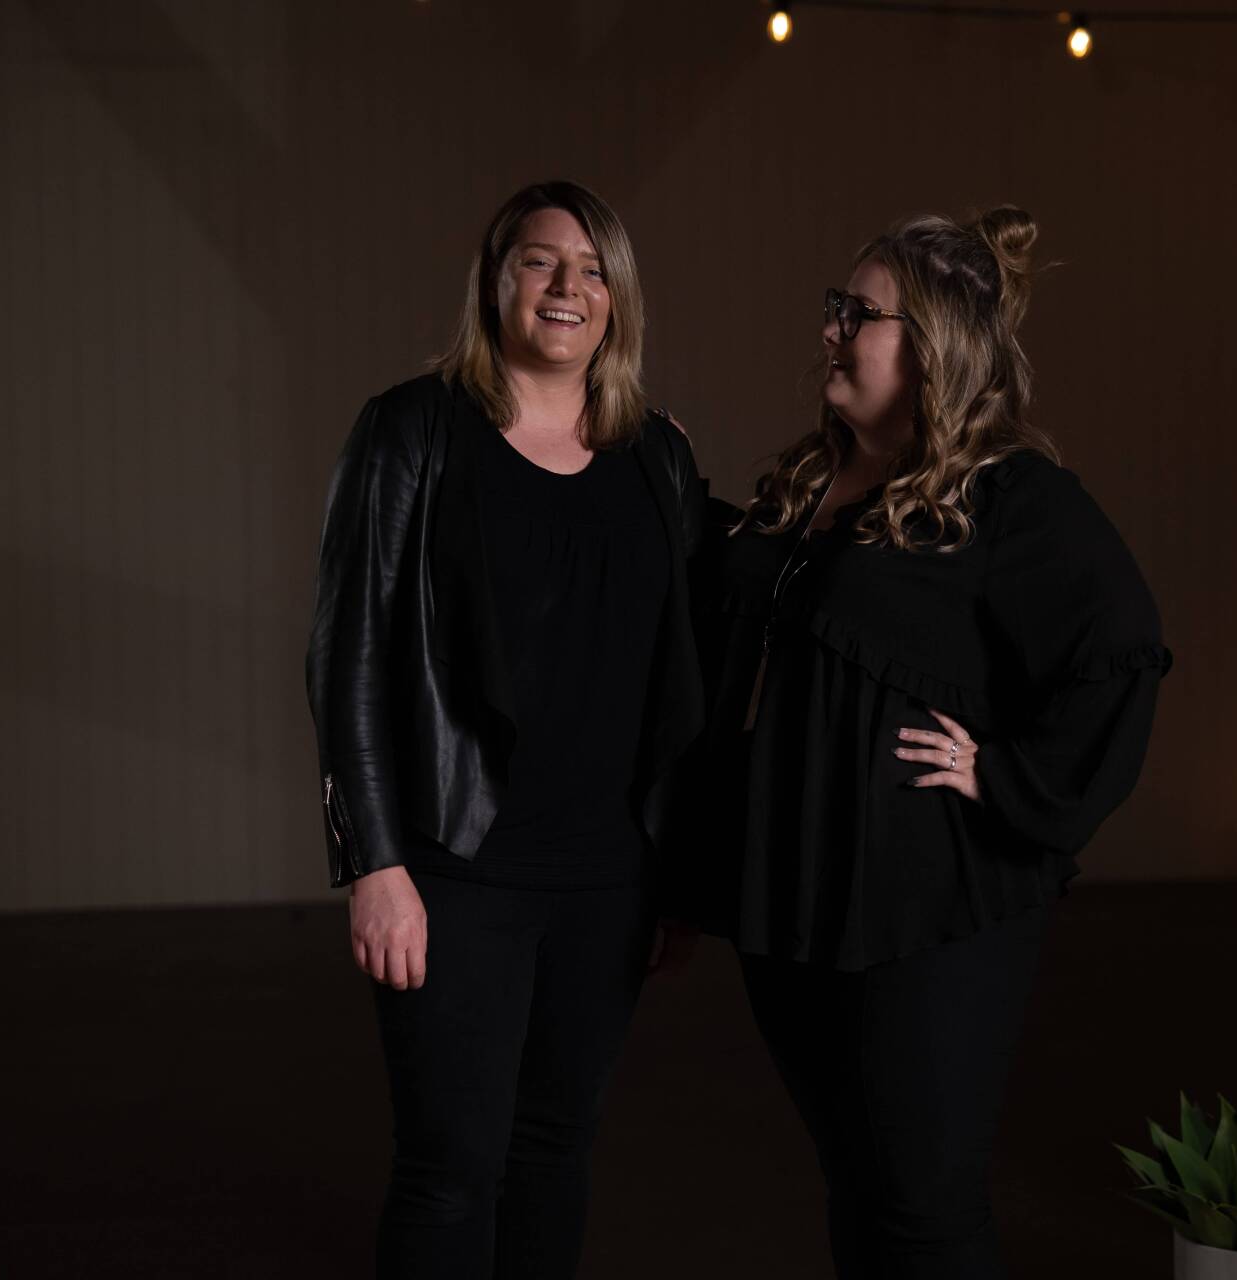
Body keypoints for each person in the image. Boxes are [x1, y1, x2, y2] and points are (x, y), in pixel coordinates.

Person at [682, 206, 1171, 1277]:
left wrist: (1006, 775)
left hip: (925, 908)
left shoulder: (1010, 497)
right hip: (799, 907)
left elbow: (1121, 651)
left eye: (860, 313)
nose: (832, 330)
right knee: (860, 1187)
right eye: (835, 307)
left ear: (935, 343)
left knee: (924, 1203)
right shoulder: (808, 484)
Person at [305, 180, 705, 1279]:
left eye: (592, 269)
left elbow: (688, 664)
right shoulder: (411, 431)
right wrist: (373, 860)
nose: (568, 287)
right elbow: (347, 658)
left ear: (617, 301)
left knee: (553, 1150)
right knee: (450, 1162)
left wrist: (677, 874)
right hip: (454, 867)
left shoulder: (656, 458)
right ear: (497, 281)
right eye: (541, 261)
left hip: (608, 878)